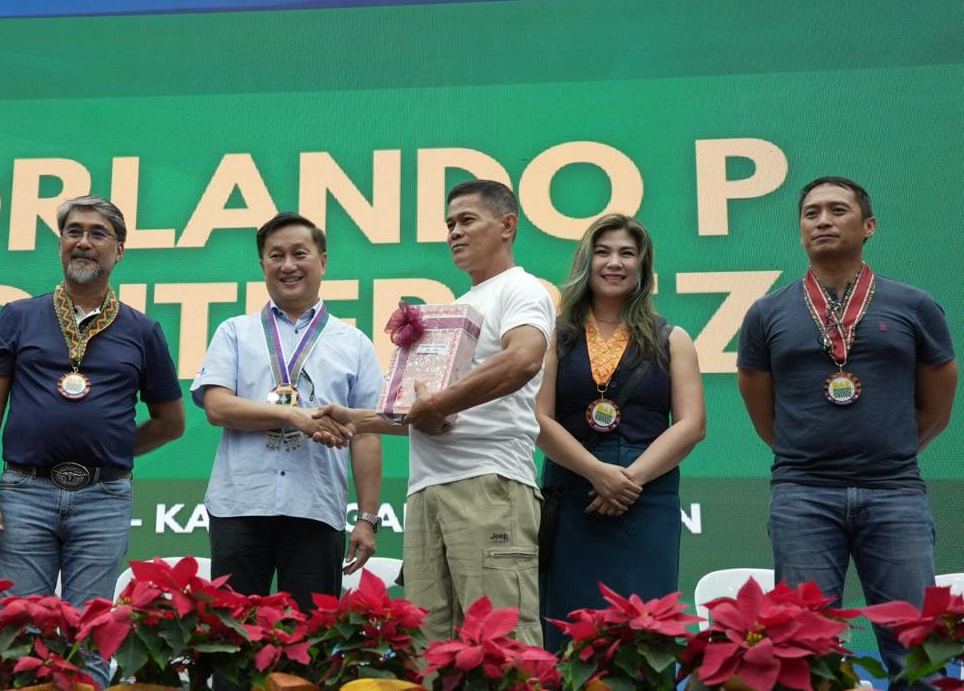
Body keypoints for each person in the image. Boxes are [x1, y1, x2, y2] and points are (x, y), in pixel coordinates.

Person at [737, 176, 956, 690]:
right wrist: (810, 453)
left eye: (838, 210)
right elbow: (761, 407)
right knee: (804, 651)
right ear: (800, 231)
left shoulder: (914, 306)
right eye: (811, 214)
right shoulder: (766, 312)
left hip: (895, 492)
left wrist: (890, 448)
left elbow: (938, 402)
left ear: (869, 225)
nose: (823, 221)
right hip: (802, 496)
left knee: (915, 651)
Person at [317, 179, 554, 645]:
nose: (455, 233)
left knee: (502, 642)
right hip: (426, 490)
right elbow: (419, 412)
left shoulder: (522, 290)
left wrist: (437, 404)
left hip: (489, 483)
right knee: (429, 644)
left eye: (467, 220)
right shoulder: (456, 308)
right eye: (449, 224)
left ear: (507, 225)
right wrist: (357, 419)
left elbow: (524, 358)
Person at [0, 194, 185, 684]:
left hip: (103, 497)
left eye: (98, 233)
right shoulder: (17, 315)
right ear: (61, 243)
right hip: (24, 492)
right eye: (73, 232)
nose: (83, 242)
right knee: (20, 632)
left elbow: (171, 422)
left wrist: (106, 451)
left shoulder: (143, 330)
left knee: (90, 635)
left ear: (119, 251)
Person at [191, 213, 383, 615]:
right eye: (276, 255)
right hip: (240, 507)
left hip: (316, 506)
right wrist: (295, 417)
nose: (288, 265)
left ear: (323, 261)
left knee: (310, 643)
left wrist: (366, 518)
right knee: (232, 639)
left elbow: (366, 432)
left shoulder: (355, 343)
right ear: (263, 266)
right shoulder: (234, 331)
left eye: (300, 253)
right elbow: (217, 406)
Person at [533, 214, 705, 651]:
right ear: (585, 262)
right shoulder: (554, 337)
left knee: (646, 631)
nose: (614, 262)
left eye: (627, 254)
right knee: (570, 628)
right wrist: (596, 472)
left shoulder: (673, 338)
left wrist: (630, 479)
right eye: (603, 252)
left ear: (643, 267)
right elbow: (538, 419)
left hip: (647, 496)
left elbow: (691, 424)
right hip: (573, 492)